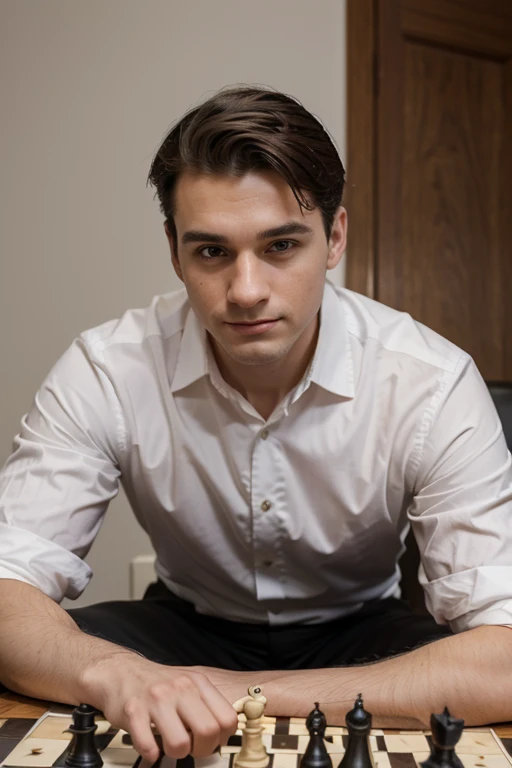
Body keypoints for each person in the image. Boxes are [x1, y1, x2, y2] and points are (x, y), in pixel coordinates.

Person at [0, 85, 512, 762]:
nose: (245, 290)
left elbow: (505, 652)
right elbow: (8, 579)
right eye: (212, 252)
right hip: (180, 629)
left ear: (334, 238)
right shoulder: (107, 367)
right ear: (175, 251)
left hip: (364, 638)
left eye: (280, 245)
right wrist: (124, 677)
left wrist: (237, 692)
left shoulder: (431, 382)